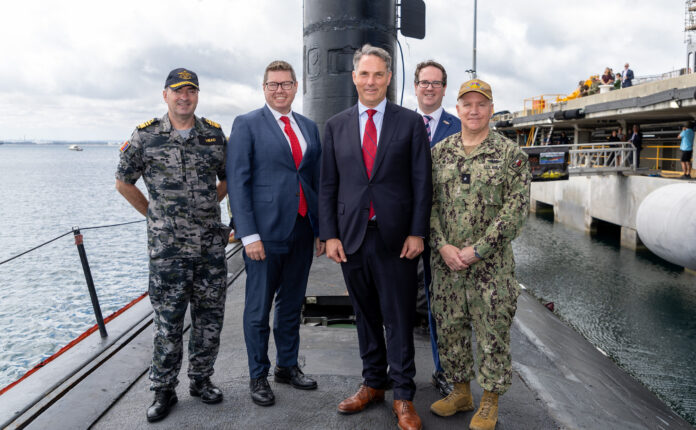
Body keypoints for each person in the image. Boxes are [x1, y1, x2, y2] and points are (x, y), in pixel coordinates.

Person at [319, 44, 432, 430]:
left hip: (397, 238)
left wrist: (418, 231)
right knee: (365, 316)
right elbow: (328, 185)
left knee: (398, 318)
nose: (371, 81)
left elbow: (421, 182)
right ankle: (373, 383)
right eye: (364, 74)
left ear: (388, 78)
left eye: (378, 74)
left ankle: (403, 395)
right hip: (351, 238)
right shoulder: (335, 125)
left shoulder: (409, 123)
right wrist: (329, 235)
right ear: (354, 77)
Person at [115, 68, 230, 422]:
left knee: (209, 318)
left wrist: (209, 206)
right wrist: (153, 215)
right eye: (178, 91)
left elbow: (228, 179)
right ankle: (164, 389)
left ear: (197, 95)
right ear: (165, 95)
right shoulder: (146, 136)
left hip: (210, 247)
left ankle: (201, 380)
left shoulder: (213, 135)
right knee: (168, 322)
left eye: (191, 91)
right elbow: (123, 181)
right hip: (168, 252)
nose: (185, 97)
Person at [428, 78, 530, 430]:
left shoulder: (510, 156)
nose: (474, 110)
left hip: (491, 267)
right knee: (450, 329)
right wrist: (442, 245)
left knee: (492, 333)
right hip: (447, 265)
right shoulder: (439, 152)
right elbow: (429, 205)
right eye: (467, 104)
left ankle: (489, 400)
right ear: (457, 109)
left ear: (491, 108)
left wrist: (476, 250)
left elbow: (515, 212)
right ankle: (460, 392)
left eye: (481, 104)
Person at [227, 60, 324, 407]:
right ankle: (258, 375)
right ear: (264, 88)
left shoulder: (309, 128)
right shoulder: (247, 124)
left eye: (286, 84)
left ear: (296, 87)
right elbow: (238, 182)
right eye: (273, 85)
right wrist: (248, 234)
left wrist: (320, 230)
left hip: (301, 228)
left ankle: (287, 366)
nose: (279, 90)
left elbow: (315, 181)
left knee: (291, 305)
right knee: (258, 308)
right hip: (264, 235)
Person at [413, 59, 461, 398]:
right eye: (423, 82)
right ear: (415, 86)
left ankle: (444, 371)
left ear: (444, 88)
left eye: (436, 83)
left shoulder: (459, 127)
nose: (429, 88)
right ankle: (393, 368)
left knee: (443, 307)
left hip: (445, 232)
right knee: (396, 303)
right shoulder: (398, 124)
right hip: (404, 231)